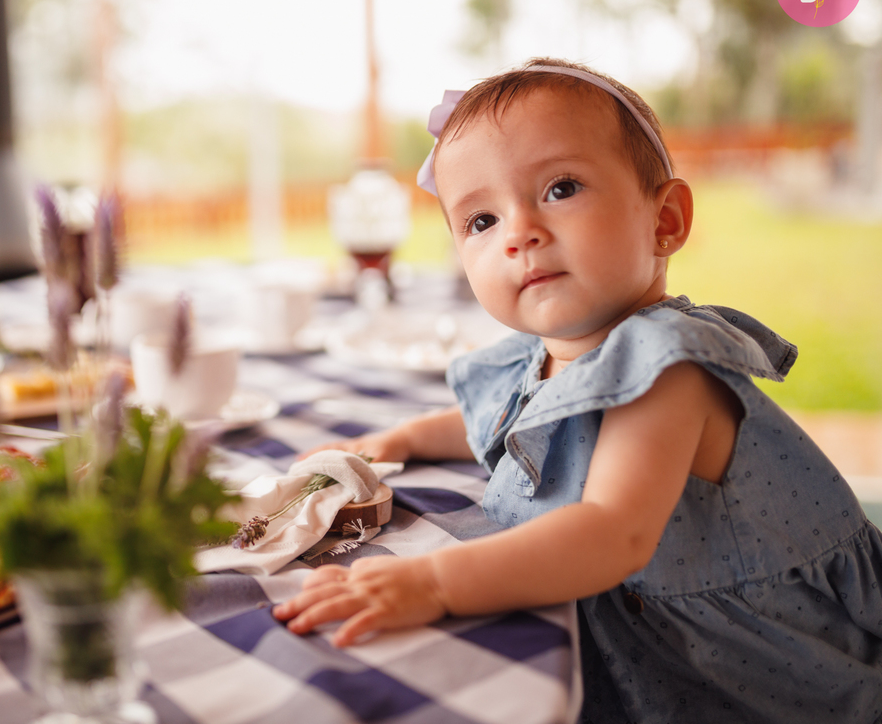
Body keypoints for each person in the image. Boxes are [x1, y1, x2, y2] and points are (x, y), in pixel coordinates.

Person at [272, 57, 882, 723]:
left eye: (561, 188)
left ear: (666, 220)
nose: (519, 233)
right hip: (656, 640)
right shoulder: (548, 358)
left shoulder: (666, 367)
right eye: (481, 221)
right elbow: (513, 413)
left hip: (769, 666)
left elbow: (611, 532)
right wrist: (405, 438)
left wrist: (433, 580)